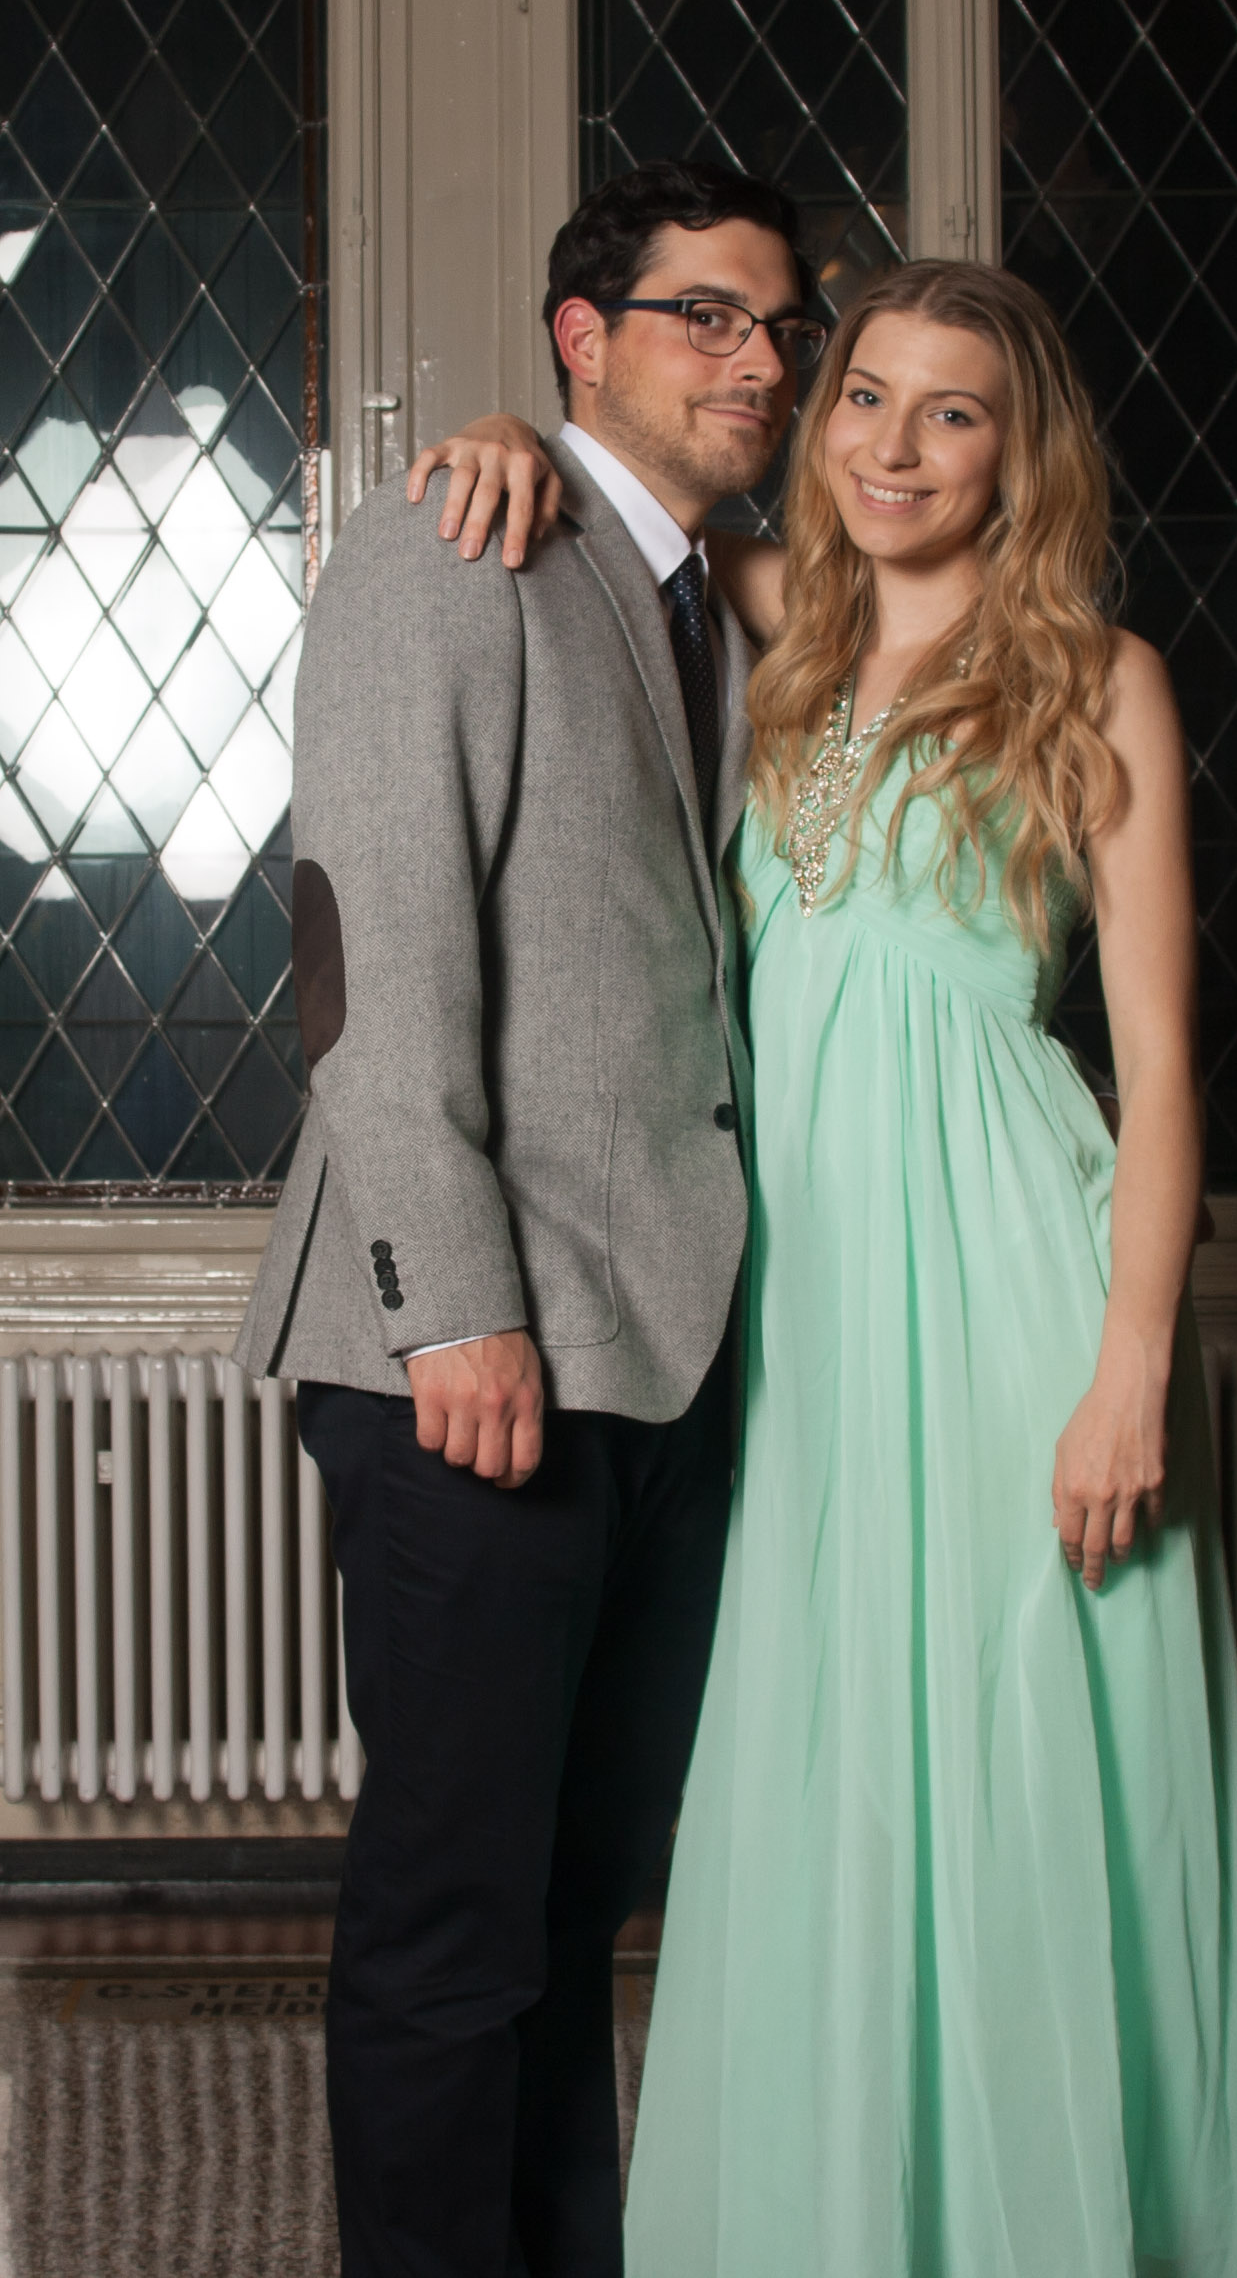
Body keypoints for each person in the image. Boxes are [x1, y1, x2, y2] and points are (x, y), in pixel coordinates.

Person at [415, 257, 1237, 2277]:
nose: (895, 446)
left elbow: (1162, 1069)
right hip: (811, 1308)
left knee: (1020, 1770)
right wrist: (506, 440)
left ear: (1022, 454)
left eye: (953, 411)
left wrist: (1129, 1373)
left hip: (1015, 1294)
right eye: (867, 398)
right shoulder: (777, 629)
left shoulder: (1099, 678)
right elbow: (610, 508)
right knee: (831, 1772)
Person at [234, 159, 828, 2278]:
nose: (758, 360)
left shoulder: (713, 594)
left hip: (657, 1345)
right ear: (584, 336)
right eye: (704, 315)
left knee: (580, 1912)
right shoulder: (449, 545)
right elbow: (367, 959)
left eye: (782, 326)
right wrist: (453, 1310)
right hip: (472, 1355)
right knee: (456, 1918)